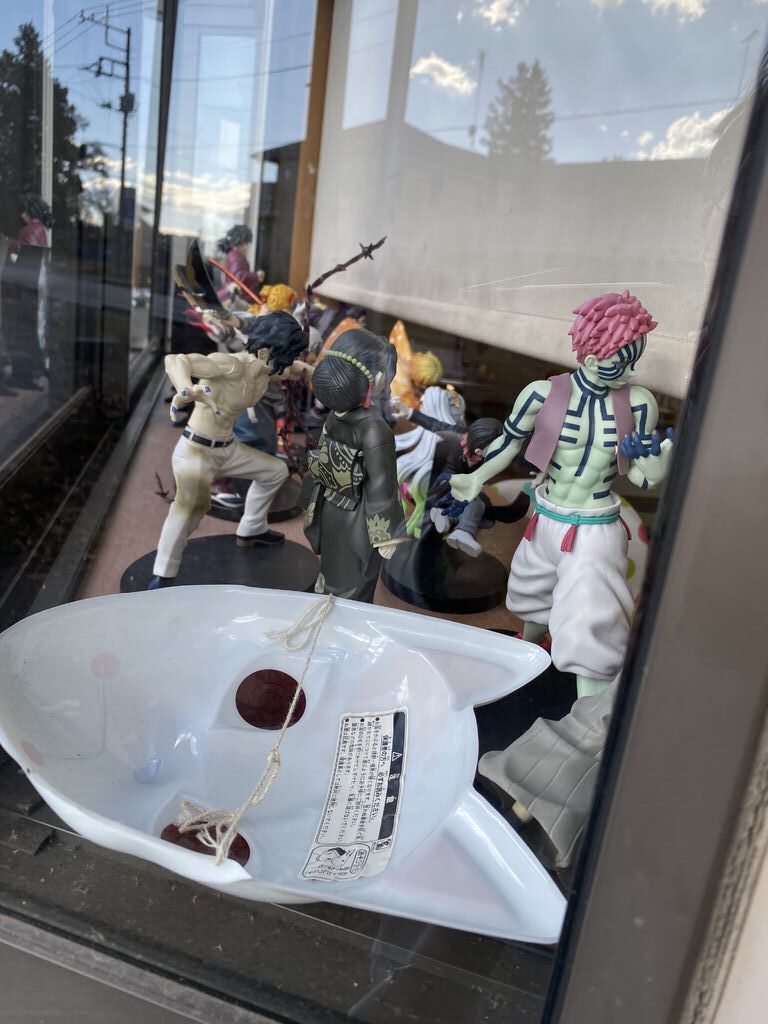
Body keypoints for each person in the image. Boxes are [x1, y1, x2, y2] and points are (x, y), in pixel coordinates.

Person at [450, 291, 674, 697]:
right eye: (620, 363)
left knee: (590, 619)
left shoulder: (639, 404)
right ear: (590, 358)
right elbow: (509, 442)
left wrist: (657, 458)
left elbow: (645, 480)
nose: (630, 372)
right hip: (545, 518)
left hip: (594, 528)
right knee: (531, 593)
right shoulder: (542, 394)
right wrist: (476, 477)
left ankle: (590, 709)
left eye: (634, 362)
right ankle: (529, 652)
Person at [149, 310, 311, 589]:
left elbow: (297, 369)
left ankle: (251, 529)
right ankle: (163, 575)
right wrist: (186, 389)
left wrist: (324, 373)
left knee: (275, 471)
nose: (283, 366)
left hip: (228, 448)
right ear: (264, 353)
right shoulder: (229, 365)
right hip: (197, 450)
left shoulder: (266, 371)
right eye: (282, 359)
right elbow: (176, 360)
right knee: (190, 507)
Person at [299, 329, 403, 602]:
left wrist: (310, 499)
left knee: (333, 575)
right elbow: (381, 486)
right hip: (359, 518)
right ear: (377, 380)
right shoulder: (375, 430)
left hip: (330, 508)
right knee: (355, 584)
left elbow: (321, 457)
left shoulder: (335, 416)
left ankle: (325, 611)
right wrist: (385, 535)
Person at [215, 224, 263, 301]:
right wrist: (256, 276)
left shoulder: (232, 254)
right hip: (237, 298)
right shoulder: (236, 257)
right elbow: (239, 278)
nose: (247, 247)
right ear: (240, 242)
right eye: (246, 243)